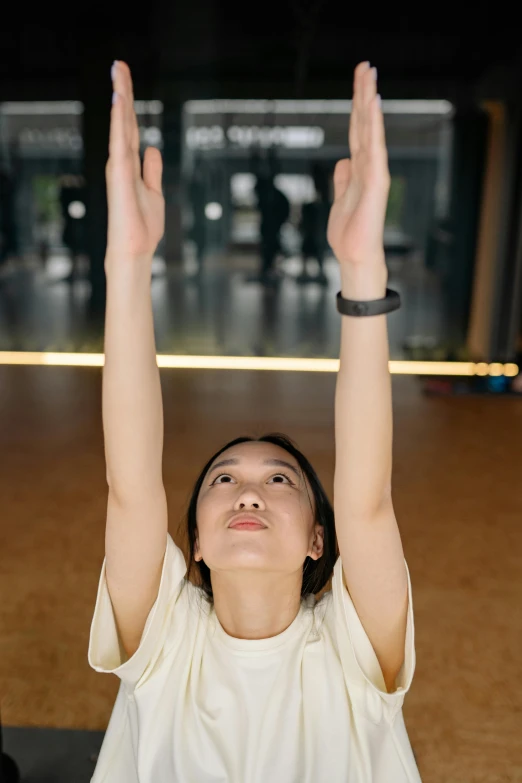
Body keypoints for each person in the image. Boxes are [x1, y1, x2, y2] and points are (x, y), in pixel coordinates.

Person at [88, 60, 421, 783]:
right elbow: (132, 484)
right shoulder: (164, 638)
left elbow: (367, 498)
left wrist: (363, 272)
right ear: (196, 542)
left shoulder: (350, 650)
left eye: (280, 478)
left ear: (316, 538)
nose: (249, 492)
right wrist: (127, 261)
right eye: (224, 478)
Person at [297, 163, 331, 285]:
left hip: (318, 232)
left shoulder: (323, 205)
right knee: (308, 251)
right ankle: (306, 271)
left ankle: (319, 272)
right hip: (312, 232)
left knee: (318, 252)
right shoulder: (311, 207)